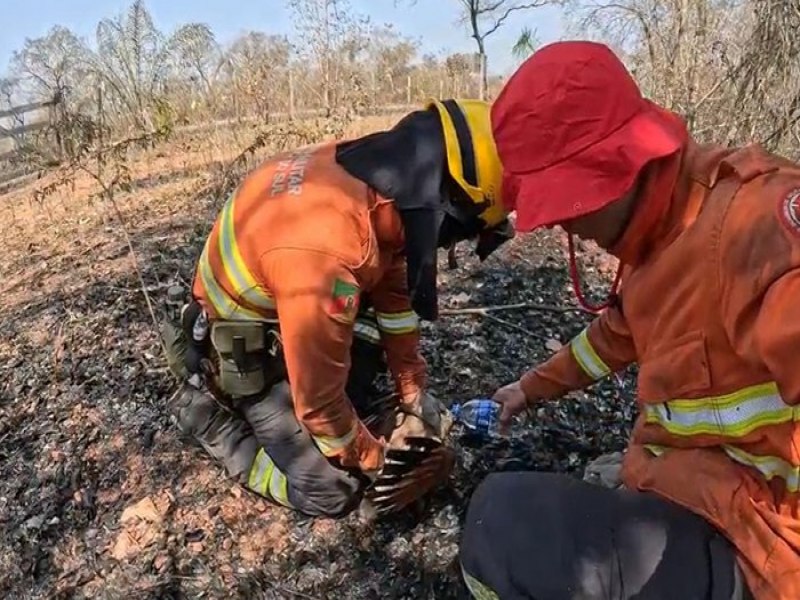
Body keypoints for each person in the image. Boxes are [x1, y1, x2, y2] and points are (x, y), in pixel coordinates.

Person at [459, 41, 800, 599]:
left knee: (500, 522)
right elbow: (614, 338)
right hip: (698, 493)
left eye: (568, 202)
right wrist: (526, 390)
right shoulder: (659, 237)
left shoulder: (757, 227)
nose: (560, 225)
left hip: (764, 549)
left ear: (623, 166)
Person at [161, 98, 514, 519]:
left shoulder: (375, 173)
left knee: (360, 361)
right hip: (245, 341)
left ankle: (343, 399)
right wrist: (375, 462)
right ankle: (209, 420)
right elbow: (319, 405)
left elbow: (394, 295)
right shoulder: (324, 251)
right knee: (331, 491)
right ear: (448, 210)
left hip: (288, 297)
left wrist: (412, 389)